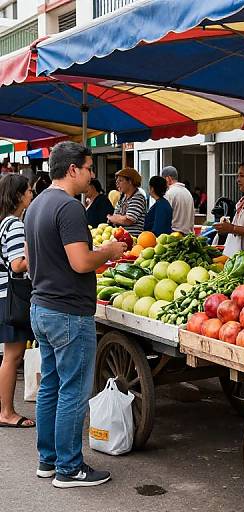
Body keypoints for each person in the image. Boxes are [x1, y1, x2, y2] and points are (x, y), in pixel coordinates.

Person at [24, 141, 126, 488]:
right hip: (67, 311)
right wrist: (108, 251)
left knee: (51, 385)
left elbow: (30, 259)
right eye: (88, 168)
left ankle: (48, 461)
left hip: (42, 307)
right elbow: (80, 262)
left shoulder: (36, 204)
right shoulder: (68, 207)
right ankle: (69, 468)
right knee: (72, 390)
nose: (92, 174)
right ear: (72, 170)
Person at [0, 175, 34, 428]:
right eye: (29, 191)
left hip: (4, 295)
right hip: (12, 296)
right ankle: (7, 412)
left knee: (9, 356)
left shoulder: (4, 222)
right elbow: (17, 264)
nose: (31, 194)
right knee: (12, 356)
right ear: (19, 195)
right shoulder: (14, 225)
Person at [107, 167, 146, 237]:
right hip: (120, 238)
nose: (117, 183)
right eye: (117, 181)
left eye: (120, 180)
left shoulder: (138, 197)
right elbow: (115, 217)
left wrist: (114, 218)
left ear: (130, 181)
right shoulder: (122, 198)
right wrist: (116, 218)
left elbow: (128, 220)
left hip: (133, 240)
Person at [161, 165, 195, 234]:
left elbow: (164, 218)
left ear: (168, 178)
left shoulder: (169, 194)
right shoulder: (187, 193)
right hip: (188, 236)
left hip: (174, 235)